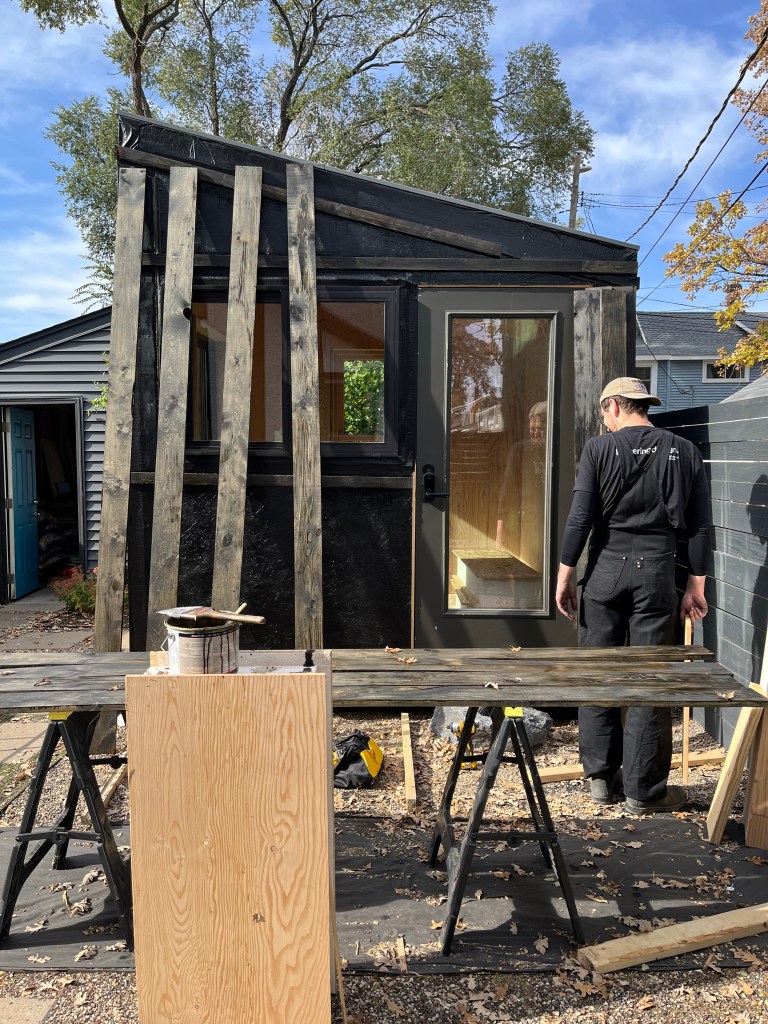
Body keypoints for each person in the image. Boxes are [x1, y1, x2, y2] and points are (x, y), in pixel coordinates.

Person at [555, 376, 710, 814]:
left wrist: (565, 576)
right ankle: (644, 791)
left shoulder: (599, 449)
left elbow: (580, 518)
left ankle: (601, 780)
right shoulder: (685, 451)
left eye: (604, 412)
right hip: (657, 575)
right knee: (650, 680)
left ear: (614, 406)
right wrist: (695, 587)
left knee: (598, 673)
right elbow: (700, 526)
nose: (604, 421)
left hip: (605, 573)